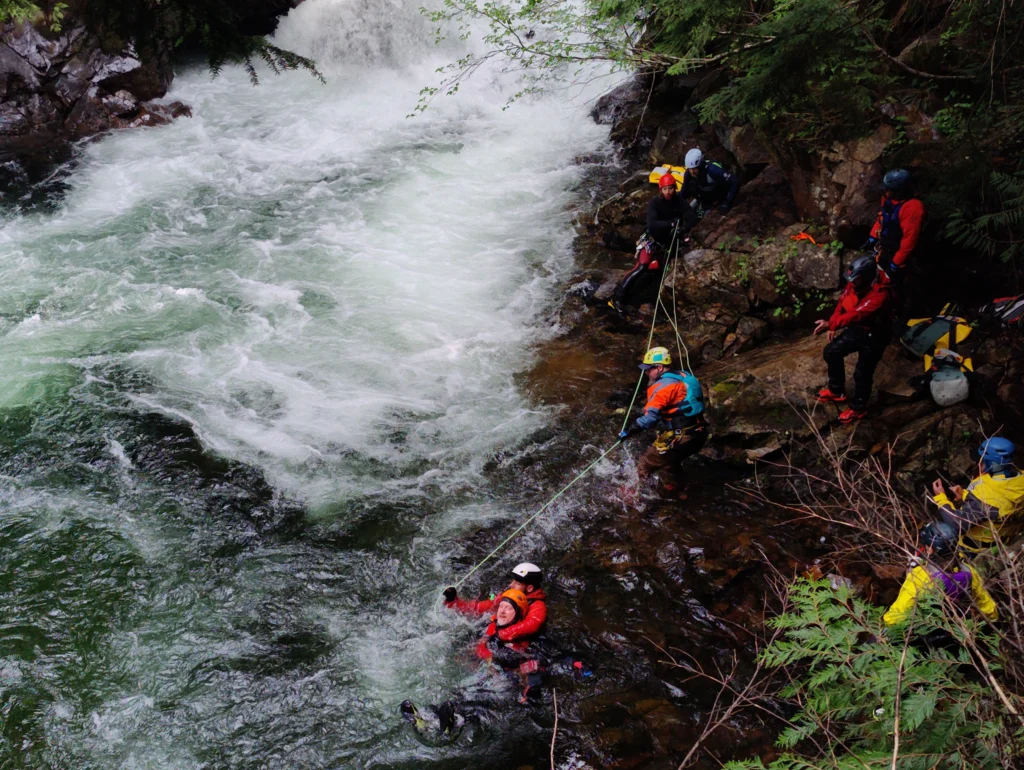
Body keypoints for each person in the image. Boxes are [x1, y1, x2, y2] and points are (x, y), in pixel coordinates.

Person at [617, 346, 707, 497]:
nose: (646, 372)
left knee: (645, 464)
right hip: (700, 433)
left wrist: (628, 431)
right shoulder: (684, 376)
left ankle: (630, 497)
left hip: (682, 437)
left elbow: (649, 419)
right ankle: (679, 490)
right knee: (672, 462)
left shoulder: (662, 387)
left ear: (659, 367)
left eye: (648, 369)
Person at [813, 255, 894, 424]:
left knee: (862, 373)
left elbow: (855, 314)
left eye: (855, 280)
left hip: (876, 335)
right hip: (858, 328)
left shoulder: (880, 294)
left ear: (865, 278)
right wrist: (834, 322)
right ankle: (836, 391)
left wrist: (832, 324)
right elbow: (843, 303)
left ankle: (858, 408)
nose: (852, 283)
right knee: (831, 351)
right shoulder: (856, 283)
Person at [608, 172, 694, 314]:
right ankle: (618, 298)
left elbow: (690, 215)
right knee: (641, 267)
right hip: (652, 240)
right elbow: (652, 224)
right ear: (661, 190)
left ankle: (651, 298)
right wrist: (671, 224)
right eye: (665, 189)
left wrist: (684, 229)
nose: (668, 192)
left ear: (674, 188)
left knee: (660, 271)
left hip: (667, 242)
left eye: (671, 188)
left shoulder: (679, 201)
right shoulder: (655, 203)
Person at [883, 521, 997, 626]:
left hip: (928, 631)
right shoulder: (969, 572)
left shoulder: (921, 575)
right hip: (957, 627)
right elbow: (988, 607)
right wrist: (993, 622)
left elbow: (897, 616)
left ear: (931, 550)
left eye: (926, 546)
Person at [932, 437, 1024, 553]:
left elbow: (956, 524)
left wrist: (940, 497)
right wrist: (964, 495)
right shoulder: (1018, 478)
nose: (978, 462)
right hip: (1006, 534)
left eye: (982, 459)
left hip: (978, 547)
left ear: (992, 462)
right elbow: (994, 500)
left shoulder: (987, 499)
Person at [442, 562, 548, 643]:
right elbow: (479, 608)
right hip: (494, 635)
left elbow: (533, 624)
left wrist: (499, 635)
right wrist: (453, 601)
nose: (511, 585)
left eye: (517, 583)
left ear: (529, 588)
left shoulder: (538, 605)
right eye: (513, 581)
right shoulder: (508, 595)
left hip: (512, 646)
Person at [863, 168, 925, 289]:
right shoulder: (888, 199)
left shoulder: (913, 208)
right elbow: (882, 218)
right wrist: (873, 236)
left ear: (898, 191)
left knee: (899, 285)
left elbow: (909, 240)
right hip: (887, 247)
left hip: (903, 255)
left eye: (889, 189)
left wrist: (896, 263)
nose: (886, 191)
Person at [679, 147, 740, 218]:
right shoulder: (688, 174)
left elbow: (734, 181)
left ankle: (707, 206)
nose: (692, 171)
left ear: (700, 165)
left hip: (719, 192)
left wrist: (727, 202)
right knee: (690, 186)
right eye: (690, 169)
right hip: (705, 192)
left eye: (694, 168)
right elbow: (684, 190)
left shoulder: (712, 170)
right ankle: (702, 203)